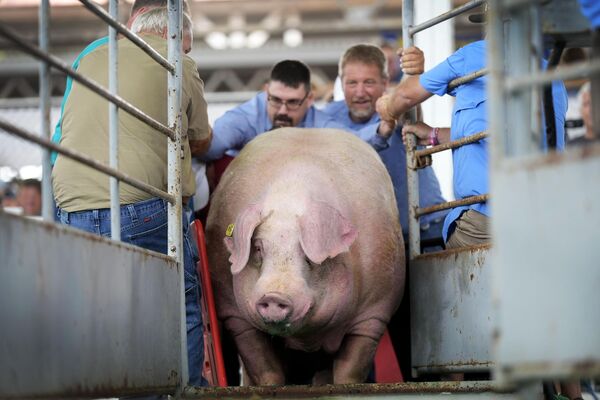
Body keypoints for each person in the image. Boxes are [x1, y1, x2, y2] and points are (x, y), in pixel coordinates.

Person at [52, 6, 211, 388]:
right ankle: (179, 392)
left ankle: (102, 389)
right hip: (138, 207)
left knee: (98, 311)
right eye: (186, 47)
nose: (185, 55)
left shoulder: (92, 55)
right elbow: (203, 140)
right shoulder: (178, 64)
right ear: (175, 38)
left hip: (71, 205)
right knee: (178, 304)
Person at [377, 39, 568, 249]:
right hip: (543, 216)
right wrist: (434, 134)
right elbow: (498, 137)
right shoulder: (554, 79)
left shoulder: (477, 53)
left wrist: (387, 107)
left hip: (486, 221)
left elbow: (405, 96)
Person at [322, 43, 447, 241]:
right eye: (352, 83)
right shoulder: (328, 117)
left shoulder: (395, 106)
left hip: (427, 230)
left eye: (369, 82)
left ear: (385, 82)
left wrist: (414, 74)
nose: (360, 92)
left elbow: (407, 102)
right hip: (375, 243)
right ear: (341, 83)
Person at [50, 0, 191, 164]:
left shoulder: (96, 50)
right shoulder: (111, 52)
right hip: (92, 160)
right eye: (164, 25)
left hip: (68, 160)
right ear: (142, 14)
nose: (172, 39)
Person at [200, 59, 396, 163]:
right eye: (276, 100)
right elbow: (209, 148)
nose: (283, 111)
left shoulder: (319, 122)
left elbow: (352, 143)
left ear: (310, 99)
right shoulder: (243, 118)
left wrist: (384, 128)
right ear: (266, 91)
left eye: (293, 102)